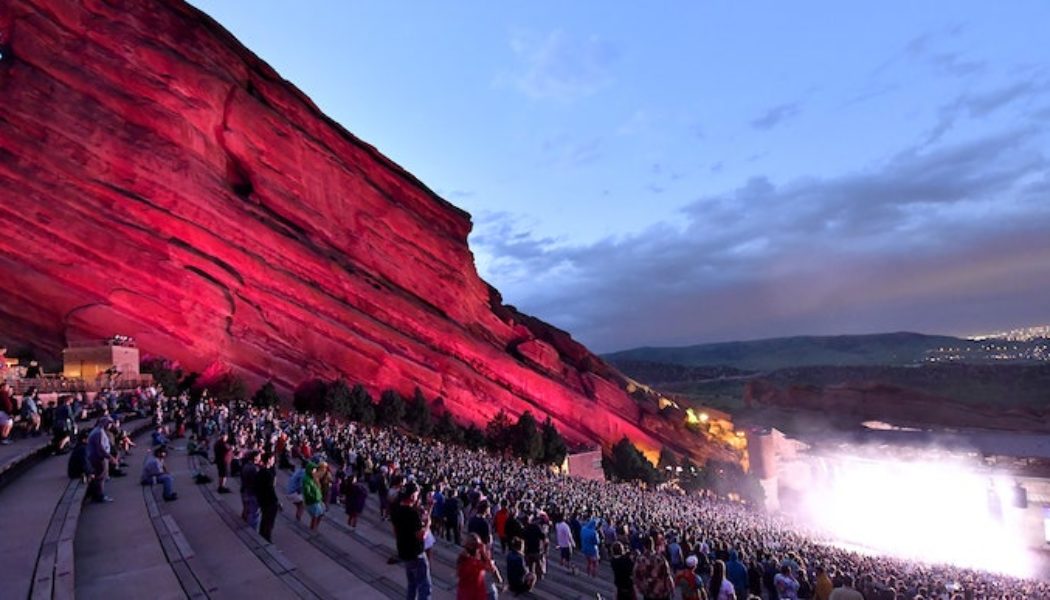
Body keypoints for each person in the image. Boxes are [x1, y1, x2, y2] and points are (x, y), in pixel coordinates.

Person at [391, 481, 432, 600]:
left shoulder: (396, 510)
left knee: (412, 585)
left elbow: (395, 532)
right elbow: (422, 535)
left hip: (404, 552)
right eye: (417, 494)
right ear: (413, 496)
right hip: (416, 554)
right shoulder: (412, 514)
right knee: (425, 587)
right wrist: (428, 524)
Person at [456, 532, 503, 600]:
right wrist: (483, 552)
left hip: (463, 595)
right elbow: (491, 568)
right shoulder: (475, 563)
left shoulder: (462, 560)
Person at [86, 416, 118, 502]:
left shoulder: (98, 431)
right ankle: (100, 496)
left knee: (100, 477)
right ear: (105, 423)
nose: (110, 426)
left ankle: (96, 496)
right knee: (100, 477)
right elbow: (100, 448)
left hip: (98, 457)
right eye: (110, 423)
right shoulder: (98, 432)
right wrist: (110, 458)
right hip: (99, 458)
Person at [634, 535, 674, 600]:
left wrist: (641, 589)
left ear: (644, 546)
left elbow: (636, 577)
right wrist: (672, 589)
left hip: (649, 593)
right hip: (662, 593)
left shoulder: (640, 560)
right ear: (653, 545)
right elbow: (668, 575)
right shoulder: (661, 558)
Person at [255, 451, 280, 543]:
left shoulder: (260, 472)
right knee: (269, 522)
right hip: (269, 501)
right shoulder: (267, 473)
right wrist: (277, 501)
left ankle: (262, 536)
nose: (274, 461)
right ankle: (267, 539)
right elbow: (271, 490)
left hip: (262, 500)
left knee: (264, 520)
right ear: (269, 460)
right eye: (273, 459)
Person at [241, 451, 261, 529]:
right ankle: (252, 529)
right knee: (254, 513)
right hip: (252, 492)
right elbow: (256, 481)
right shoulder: (254, 468)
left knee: (247, 509)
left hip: (245, 490)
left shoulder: (246, 466)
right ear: (255, 457)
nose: (260, 457)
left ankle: (245, 523)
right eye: (259, 456)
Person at [303, 460, 325, 531]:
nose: (315, 472)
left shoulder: (313, 478)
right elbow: (307, 492)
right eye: (313, 470)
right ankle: (312, 529)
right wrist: (314, 497)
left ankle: (314, 527)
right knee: (315, 516)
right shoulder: (306, 479)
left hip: (317, 499)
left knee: (320, 514)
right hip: (312, 501)